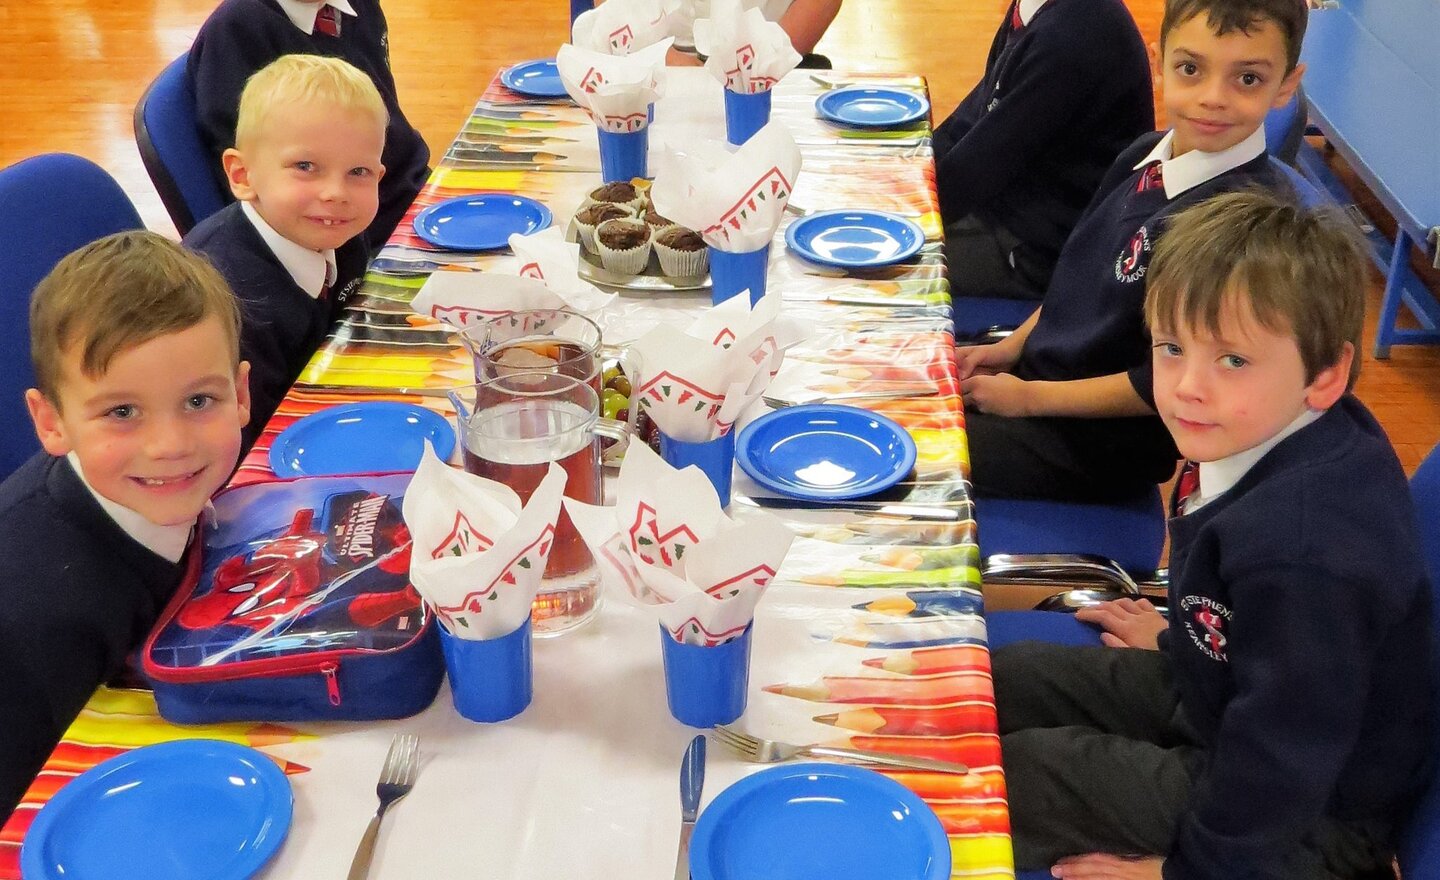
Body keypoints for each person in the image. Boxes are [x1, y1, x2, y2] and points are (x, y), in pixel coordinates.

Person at [993, 189, 1434, 880]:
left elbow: (1282, 760)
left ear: (1327, 375)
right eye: (1172, 347)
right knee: (999, 681)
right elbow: (1264, 644)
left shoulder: (1307, 555)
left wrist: (1183, 873)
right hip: (1224, 695)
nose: (1186, 387)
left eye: (1233, 359)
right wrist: (1187, 640)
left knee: (1022, 777)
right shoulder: (1265, 434)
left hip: (1304, 822)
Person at [955, 0, 1307, 502]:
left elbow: (1156, 382)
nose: (1212, 98)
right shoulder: (1142, 154)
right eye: (1191, 68)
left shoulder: (1240, 231)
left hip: (1091, 446)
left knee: (922, 444)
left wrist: (1029, 399)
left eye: (1246, 79)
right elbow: (1077, 275)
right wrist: (1008, 349)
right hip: (1039, 384)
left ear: (1286, 85)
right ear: (1159, 61)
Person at [0, 231, 251, 821]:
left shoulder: (151, 501)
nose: (169, 447)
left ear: (241, 393)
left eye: (198, 402)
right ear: (52, 421)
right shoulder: (39, 615)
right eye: (122, 412)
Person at [184, 54, 384, 450]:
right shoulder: (226, 304)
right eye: (306, 166)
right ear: (242, 176)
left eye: (357, 172)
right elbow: (245, 441)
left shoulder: (332, 229)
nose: (336, 193)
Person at [935, 0, 1154, 300]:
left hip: (1043, 255)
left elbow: (974, 173)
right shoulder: (1037, 10)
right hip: (1011, 217)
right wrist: (909, 168)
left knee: (884, 269)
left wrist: (895, 205)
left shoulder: (1075, 34)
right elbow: (972, 118)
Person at [187, 0, 429, 251]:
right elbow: (258, 185)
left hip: (402, 195)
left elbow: (386, 124)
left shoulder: (359, 6)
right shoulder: (238, 29)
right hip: (353, 231)